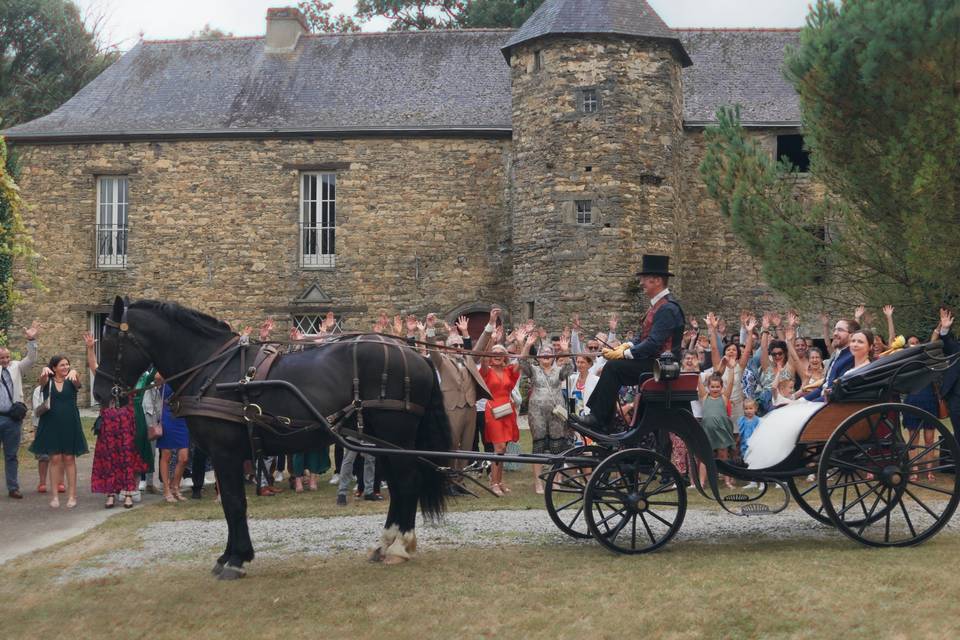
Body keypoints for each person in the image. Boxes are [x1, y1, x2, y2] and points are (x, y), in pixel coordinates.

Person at [574, 255, 685, 432]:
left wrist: (624, 354)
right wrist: (625, 345)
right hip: (654, 363)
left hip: (662, 366)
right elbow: (642, 338)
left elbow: (653, 343)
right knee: (612, 367)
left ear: (656, 280)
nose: (641, 283)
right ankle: (602, 418)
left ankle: (599, 418)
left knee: (613, 368)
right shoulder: (658, 306)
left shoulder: (668, 308)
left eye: (644, 279)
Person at [746, 329, 875, 470]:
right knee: (781, 412)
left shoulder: (866, 368)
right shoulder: (852, 366)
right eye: (854, 341)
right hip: (830, 404)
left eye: (860, 341)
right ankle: (775, 460)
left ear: (870, 346)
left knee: (784, 416)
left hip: (839, 409)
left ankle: (780, 462)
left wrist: (831, 394)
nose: (855, 344)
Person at [427, 313, 490, 494]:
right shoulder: (442, 361)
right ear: (447, 348)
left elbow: (480, 345)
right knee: (452, 445)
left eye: (461, 345)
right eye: (454, 345)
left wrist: (491, 324)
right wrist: (430, 327)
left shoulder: (469, 360)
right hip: (452, 407)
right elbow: (432, 349)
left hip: (469, 407)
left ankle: (459, 481)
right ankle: (447, 481)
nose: (458, 348)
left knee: (467, 445)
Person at [519, 331, 573, 494]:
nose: (546, 356)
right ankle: (538, 482)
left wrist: (565, 351)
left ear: (554, 357)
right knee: (539, 445)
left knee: (557, 445)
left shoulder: (559, 370)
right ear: (538, 357)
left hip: (557, 411)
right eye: (543, 354)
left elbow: (569, 369)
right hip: (537, 412)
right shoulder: (534, 370)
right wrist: (527, 345)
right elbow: (522, 363)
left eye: (549, 354)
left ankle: (556, 479)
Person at [29, 355, 86, 508]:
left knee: (69, 459)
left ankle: (72, 496)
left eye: (67, 364)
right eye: (62, 365)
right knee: (54, 460)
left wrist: (74, 372)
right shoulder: (48, 381)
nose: (66, 367)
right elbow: (41, 382)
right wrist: (44, 372)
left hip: (70, 425)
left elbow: (78, 383)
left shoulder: (72, 379)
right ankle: (54, 496)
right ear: (54, 368)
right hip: (52, 425)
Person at [477, 307, 520, 496]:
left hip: (507, 409)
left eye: (500, 352)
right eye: (494, 353)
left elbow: (522, 359)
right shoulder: (487, 371)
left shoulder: (510, 371)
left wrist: (521, 343)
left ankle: (499, 480)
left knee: (503, 448)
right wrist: (491, 339)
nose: (496, 355)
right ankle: (493, 482)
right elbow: (485, 357)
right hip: (492, 408)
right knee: (498, 447)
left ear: (505, 357)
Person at [0, 321, 39, 499]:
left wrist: (31, 340)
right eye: (2, 358)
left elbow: (31, 359)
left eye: (7, 357)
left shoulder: (16, 367)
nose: (6, 360)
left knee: (11, 455)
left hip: (11, 418)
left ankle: (13, 487)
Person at [698, 372, 736, 488]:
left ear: (721, 387)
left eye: (717, 386)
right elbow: (699, 382)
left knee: (723, 456)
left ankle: (727, 481)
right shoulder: (705, 397)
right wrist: (696, 368)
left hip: (721, 432)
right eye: (712, 387)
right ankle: (701, 482)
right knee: (705, 457)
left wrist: (731, 368)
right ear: (708, 387)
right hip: (707, 432)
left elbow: (730, 383)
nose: (715, 389)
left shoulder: (724, 398)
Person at [157, 381, 190, 503]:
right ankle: (166, 489)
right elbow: (156, 376)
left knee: (184, 458)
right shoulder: (164, 375)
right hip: (168, 415)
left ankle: (175, 486)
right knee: (166, 454)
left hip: (182, 417)